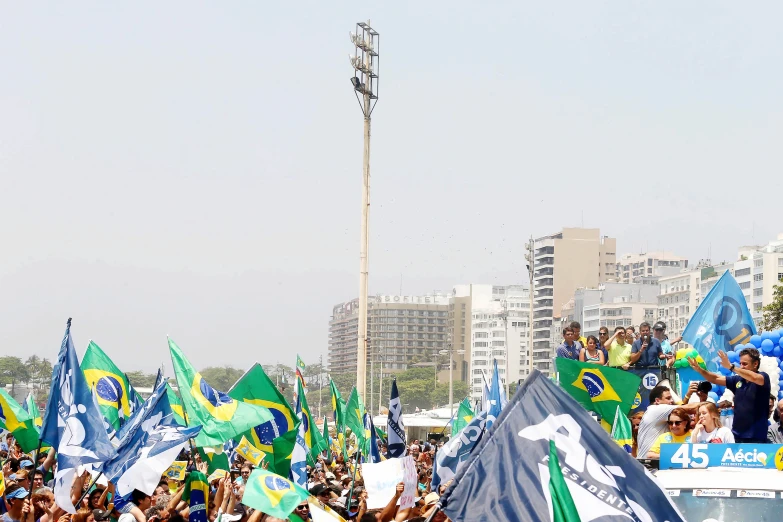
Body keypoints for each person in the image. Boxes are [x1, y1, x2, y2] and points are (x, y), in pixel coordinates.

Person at [687, 347, 771, 443]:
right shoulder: (737, 380)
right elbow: (715, 378)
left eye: (745, 364)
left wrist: (731, 367)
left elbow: (754, 377)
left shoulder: (763, 377)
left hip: (757, 436)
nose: (741, 366)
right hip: (737, 435)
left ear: (755, 364)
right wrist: (700, 370)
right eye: (740, 363)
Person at [636, 384, 700, 459]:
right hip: (649, 462)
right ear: (657, 401)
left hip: (648, 461)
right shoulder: (658, 409)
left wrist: (687, 396)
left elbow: (679, 414)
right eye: (668, 398)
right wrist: (711, 406)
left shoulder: (653, 411)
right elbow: (689, 408)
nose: (672, 400)